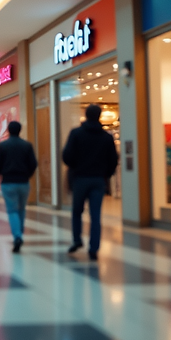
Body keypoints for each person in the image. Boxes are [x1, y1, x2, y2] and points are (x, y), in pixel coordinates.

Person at [62, 104, 118, 261]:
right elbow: (113, 160)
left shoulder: (76, 134)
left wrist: (74, 166)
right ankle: (94, 248)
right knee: (95, 215)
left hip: (80, 178)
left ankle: (77, 239)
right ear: (99, 116)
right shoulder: (106, 137)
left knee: (77, 211)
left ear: (85, 115)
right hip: (98, 180)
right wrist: (106, 174)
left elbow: (66, 156)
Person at [0, 121, 38, 253]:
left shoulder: (3, 146)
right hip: (23, 182)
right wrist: (27, 175)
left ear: (8, 130)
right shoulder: (27, 145)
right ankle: (20, 233)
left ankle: (17, 236)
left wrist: (0, 175)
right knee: (21, 209)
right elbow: (33, 163)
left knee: (12, 210)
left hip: (8, 182)